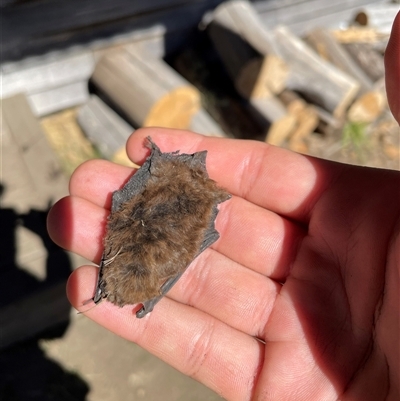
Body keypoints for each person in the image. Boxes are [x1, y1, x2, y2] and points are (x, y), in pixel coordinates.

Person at [47, 13, 400, 401]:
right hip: (171, 200)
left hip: (170, 197)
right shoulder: (138, 257)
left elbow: (129, 213)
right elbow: (129, 212)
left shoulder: (140, 255)